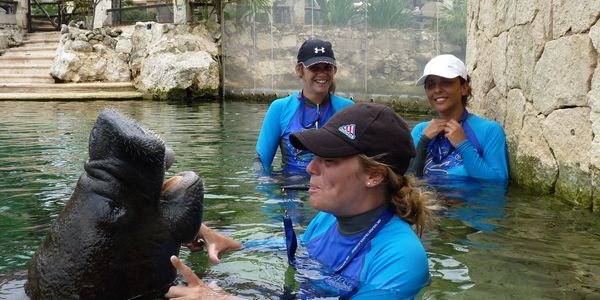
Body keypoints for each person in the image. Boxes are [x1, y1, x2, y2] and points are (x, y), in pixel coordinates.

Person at [167, 103, 437, 299]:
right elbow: (303, 252)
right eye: (315, 157)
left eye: (329, 160)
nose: (311, 169)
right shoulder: (328, 219)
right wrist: (235, 244)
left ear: (374, 176)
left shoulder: (401, 258)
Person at [255, 38, 354, 177]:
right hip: (291, 189)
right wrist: (269, 190)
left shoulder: (348, 110)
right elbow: (261, 162)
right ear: (299, 70)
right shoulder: (280, 108)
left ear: (335, 70)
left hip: (333, 191)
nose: (322, 73)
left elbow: (357, 160)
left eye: (327, 67)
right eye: (314, 67)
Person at [409, 54, 509, 180]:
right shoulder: (420, 131)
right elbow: (407, 180)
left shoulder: (489, 130)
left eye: (446, 82)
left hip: (469, 199)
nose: (437, 89)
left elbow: (498, 181)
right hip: (426, 199)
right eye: (430, 85)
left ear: (464, 88)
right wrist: (424, 141)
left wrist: (463, 145)